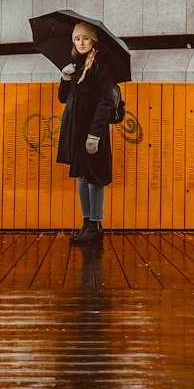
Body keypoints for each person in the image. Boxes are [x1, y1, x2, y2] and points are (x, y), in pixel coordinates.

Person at [56, 21, 116, 247]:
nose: (80, 43)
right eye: (77, 39)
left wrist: (95, 135)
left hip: (93, 130)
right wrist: (65, 77)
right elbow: (63, 98)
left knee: (94, 177)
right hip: (76, 128)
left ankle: (95, 225)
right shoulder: (76, 65)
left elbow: (105, 102)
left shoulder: (101, 65)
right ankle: (86, 223)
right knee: (82, 176)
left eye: (85, 38)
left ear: (94, 40)